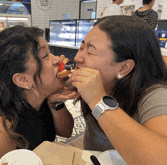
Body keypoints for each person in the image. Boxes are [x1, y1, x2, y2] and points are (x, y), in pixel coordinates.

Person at [0, 25, 79, 165]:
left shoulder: (40, 98)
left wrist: (55, 102)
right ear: (22, 80)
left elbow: (66, 132)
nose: (58, 59)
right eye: (45, 56)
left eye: (50, 52)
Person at [68, 15, 167, 164]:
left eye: (90, 51)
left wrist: (97, 100)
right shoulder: (100, 82)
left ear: (123, 67)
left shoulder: (155, 95)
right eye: (81, 47)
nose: (77, 58)